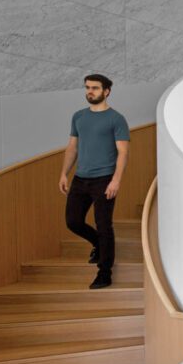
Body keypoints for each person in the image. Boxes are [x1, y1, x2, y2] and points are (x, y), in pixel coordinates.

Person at [59, 74, 130, 290]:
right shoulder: (78, 116)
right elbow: (72, 147)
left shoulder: (116, 119)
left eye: (95, 88)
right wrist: (64, 173)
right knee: (73, 221)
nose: (90, 91)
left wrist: (116, 180)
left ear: (106, 91)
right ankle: (97, 244)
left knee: (103, 225)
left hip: (104, 179)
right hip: (81, 178)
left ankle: (104, 272)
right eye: (87, 88)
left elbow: (123, 152)